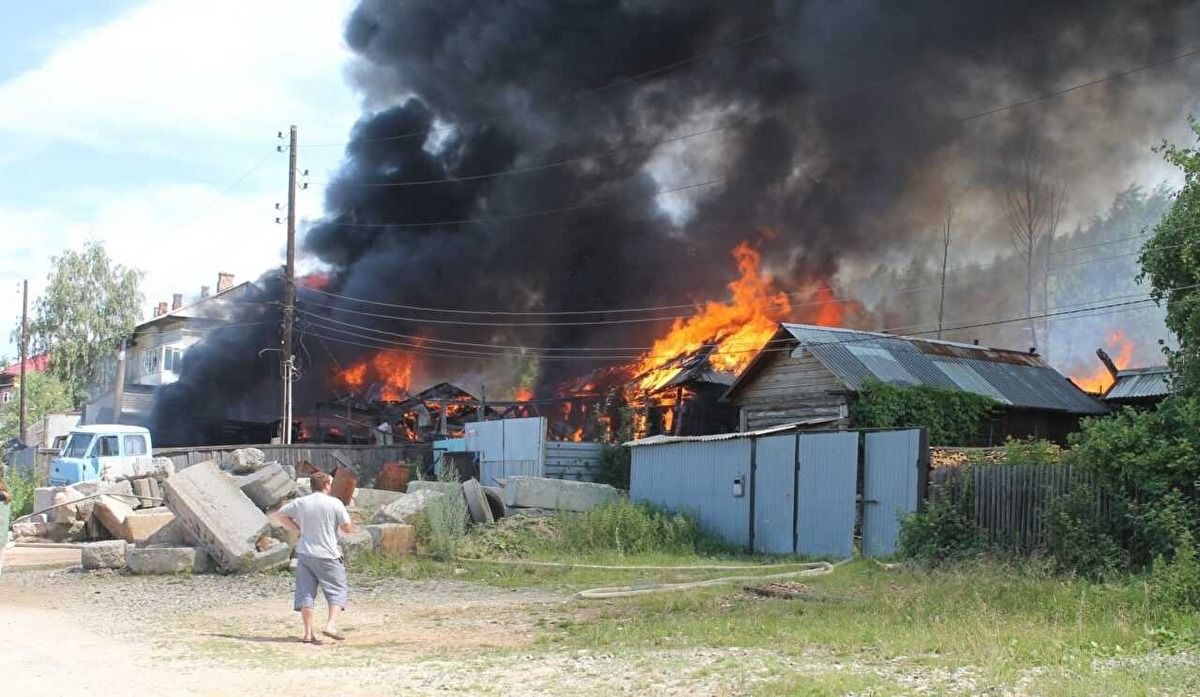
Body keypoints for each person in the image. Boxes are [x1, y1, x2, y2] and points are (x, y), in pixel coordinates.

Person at [274, 471, 353, 645]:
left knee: (306, 592)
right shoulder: (335, 503)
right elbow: (347, 527)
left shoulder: (302, 502)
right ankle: (331, 625)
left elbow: (280, 514)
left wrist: (297, 529)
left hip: (305, 553)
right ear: (326, 485)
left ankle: (308, 633)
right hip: (328, 554)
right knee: (337, 590)